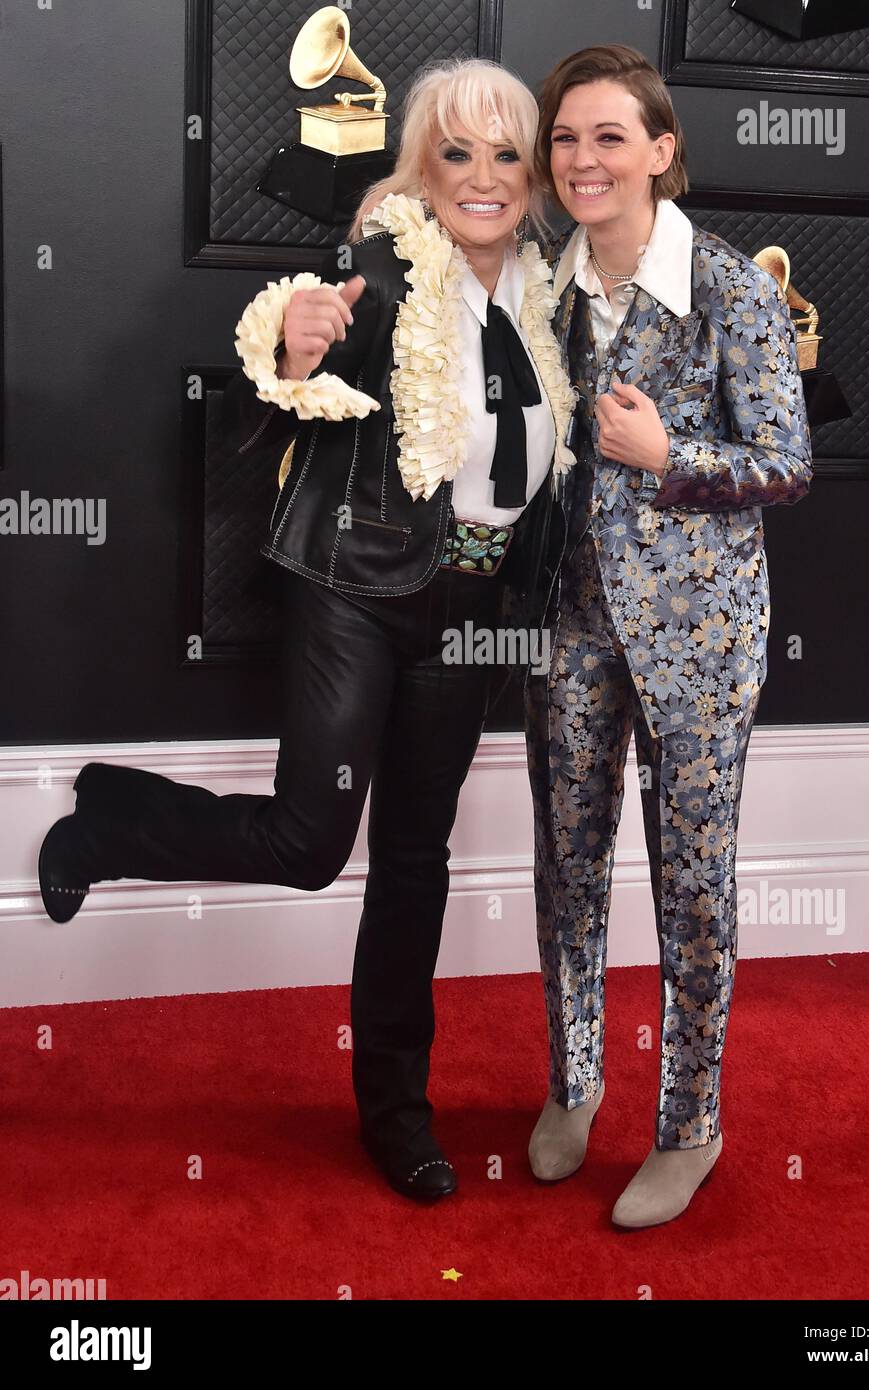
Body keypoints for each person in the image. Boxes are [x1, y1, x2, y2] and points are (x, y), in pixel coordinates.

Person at [37, 57, 575, 1202]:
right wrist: (292, 347)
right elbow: (262, 406)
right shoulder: (383, 264)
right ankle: (107, 825)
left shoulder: (546, 288)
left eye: (504, 154)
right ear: (419, 169)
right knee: (310, 843)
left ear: (532, 173)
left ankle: (394, 1111)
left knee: (416, 861)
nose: (481, 177)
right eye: (453, 153)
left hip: (475, 611)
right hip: (358, 586)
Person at [524, 44, 813, 1228]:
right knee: (565, 867)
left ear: (659, 151)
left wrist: (668, 458)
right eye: (564, 139)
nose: (582, 159)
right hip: (572, 629)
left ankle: (688, 1123)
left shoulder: (733, 288)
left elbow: (787, 465)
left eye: (606, 137)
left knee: (693, 886)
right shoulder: (545, 283)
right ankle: (571, 1079)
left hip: (698, 640)